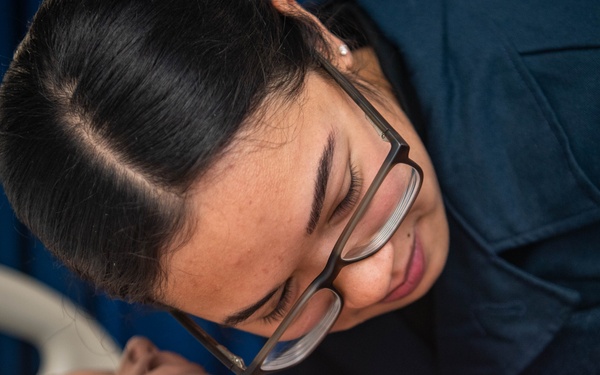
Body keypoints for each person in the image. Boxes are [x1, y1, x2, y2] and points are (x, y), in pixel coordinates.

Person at [0, 0, 598, 374]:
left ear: (316, 35)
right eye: (277, 304)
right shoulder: (280, 347)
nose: (372, 283)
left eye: (347, 197)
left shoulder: (573, 67)